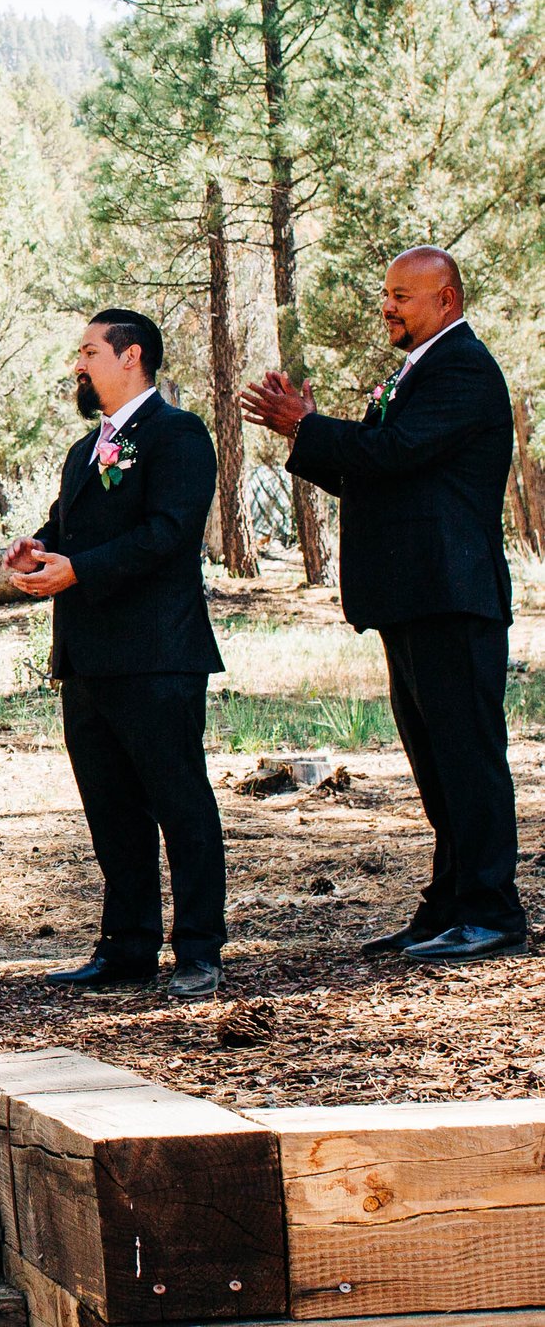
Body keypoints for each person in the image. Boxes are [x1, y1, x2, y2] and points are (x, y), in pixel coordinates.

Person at [241, 248, 523, 962]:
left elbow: (392, 453)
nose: (388, 306)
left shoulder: (461, 367)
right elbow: (378, 471)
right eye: (387, 293)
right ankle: (447, 906)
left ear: (447, 300)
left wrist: (308, 425)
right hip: (415, 595)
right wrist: (302, 432)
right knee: (435, 761)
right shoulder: (415, 371)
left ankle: (492, 913)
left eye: (403, 295)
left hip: (452, 594)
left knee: (467, 757)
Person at [6, 311, 226, 998]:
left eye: (90, 351)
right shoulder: (84, 451)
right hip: (88, 657)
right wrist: (36, 550)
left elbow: (168, 533)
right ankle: (127, 947)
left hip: (157, 654)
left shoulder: (178, 435)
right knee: (111, 810)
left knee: (178, 802)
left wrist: (81, 571)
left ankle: (198, 950)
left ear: (131, 357)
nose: (80, 364)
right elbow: (72, 526)